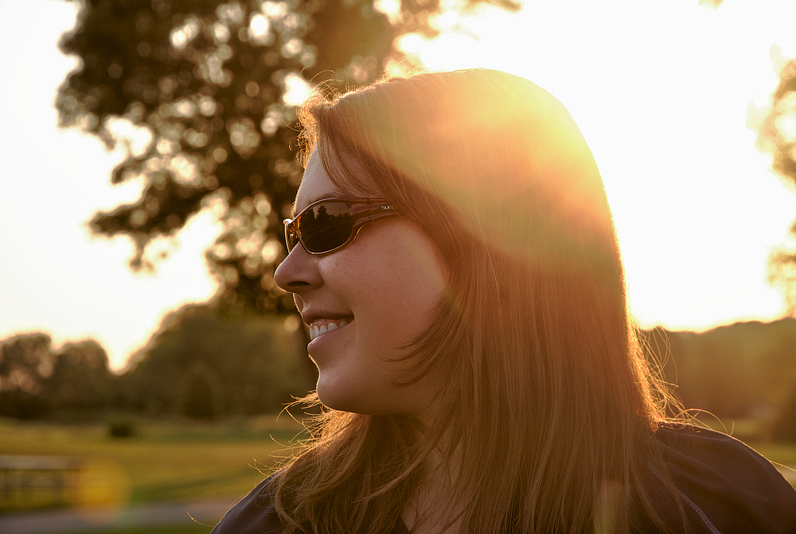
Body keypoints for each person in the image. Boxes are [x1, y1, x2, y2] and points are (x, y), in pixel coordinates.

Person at [211, 69, 796, 533]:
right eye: (294, 234)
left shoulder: (729, 507)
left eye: (326, 223)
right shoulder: (275, 526)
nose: (287, 273)